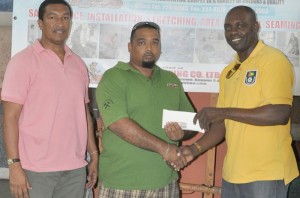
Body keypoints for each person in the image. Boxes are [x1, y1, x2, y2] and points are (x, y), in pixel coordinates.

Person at [176, 5, 299, 198]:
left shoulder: (273, 60)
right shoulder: (229, 71)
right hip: (232, 174)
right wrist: (193, 149)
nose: (234, 31)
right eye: (228, 27)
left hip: (266, 173)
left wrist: (223, 112)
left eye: (241, 25)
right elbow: (221, 125)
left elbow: (280, 113)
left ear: (256, 27)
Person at [1, 0, 98, 198]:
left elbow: (84, 113)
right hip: (34, 170)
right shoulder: (22, 62)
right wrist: (14, 165)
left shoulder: (78, 64)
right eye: (52, 17)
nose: (60, 23)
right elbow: (10, 118)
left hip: (75, 168)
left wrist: (94, 154)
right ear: (40, 23)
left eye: (65, 17)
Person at [96, 21, 196, 198]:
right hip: (122, 184)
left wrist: (182, 134)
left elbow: (191, 122)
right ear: (130, 47)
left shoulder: (171, 80)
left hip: (165, 182)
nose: (149, 48)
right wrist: (165, 149)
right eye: (142, 42)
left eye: (155, 42)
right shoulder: (114, 77)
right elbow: (118, 124)